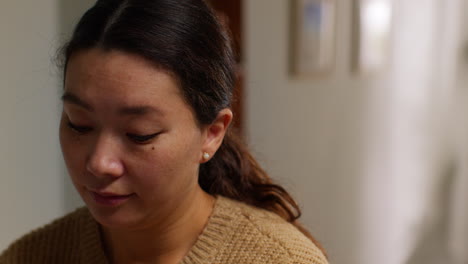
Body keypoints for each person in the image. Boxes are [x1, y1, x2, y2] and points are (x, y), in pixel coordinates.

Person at [0, 0, 328, 263]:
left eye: (139, 134)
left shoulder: (280, 259)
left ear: (212, 133)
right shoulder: (29, 256)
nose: (99, 162)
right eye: (79, 123)